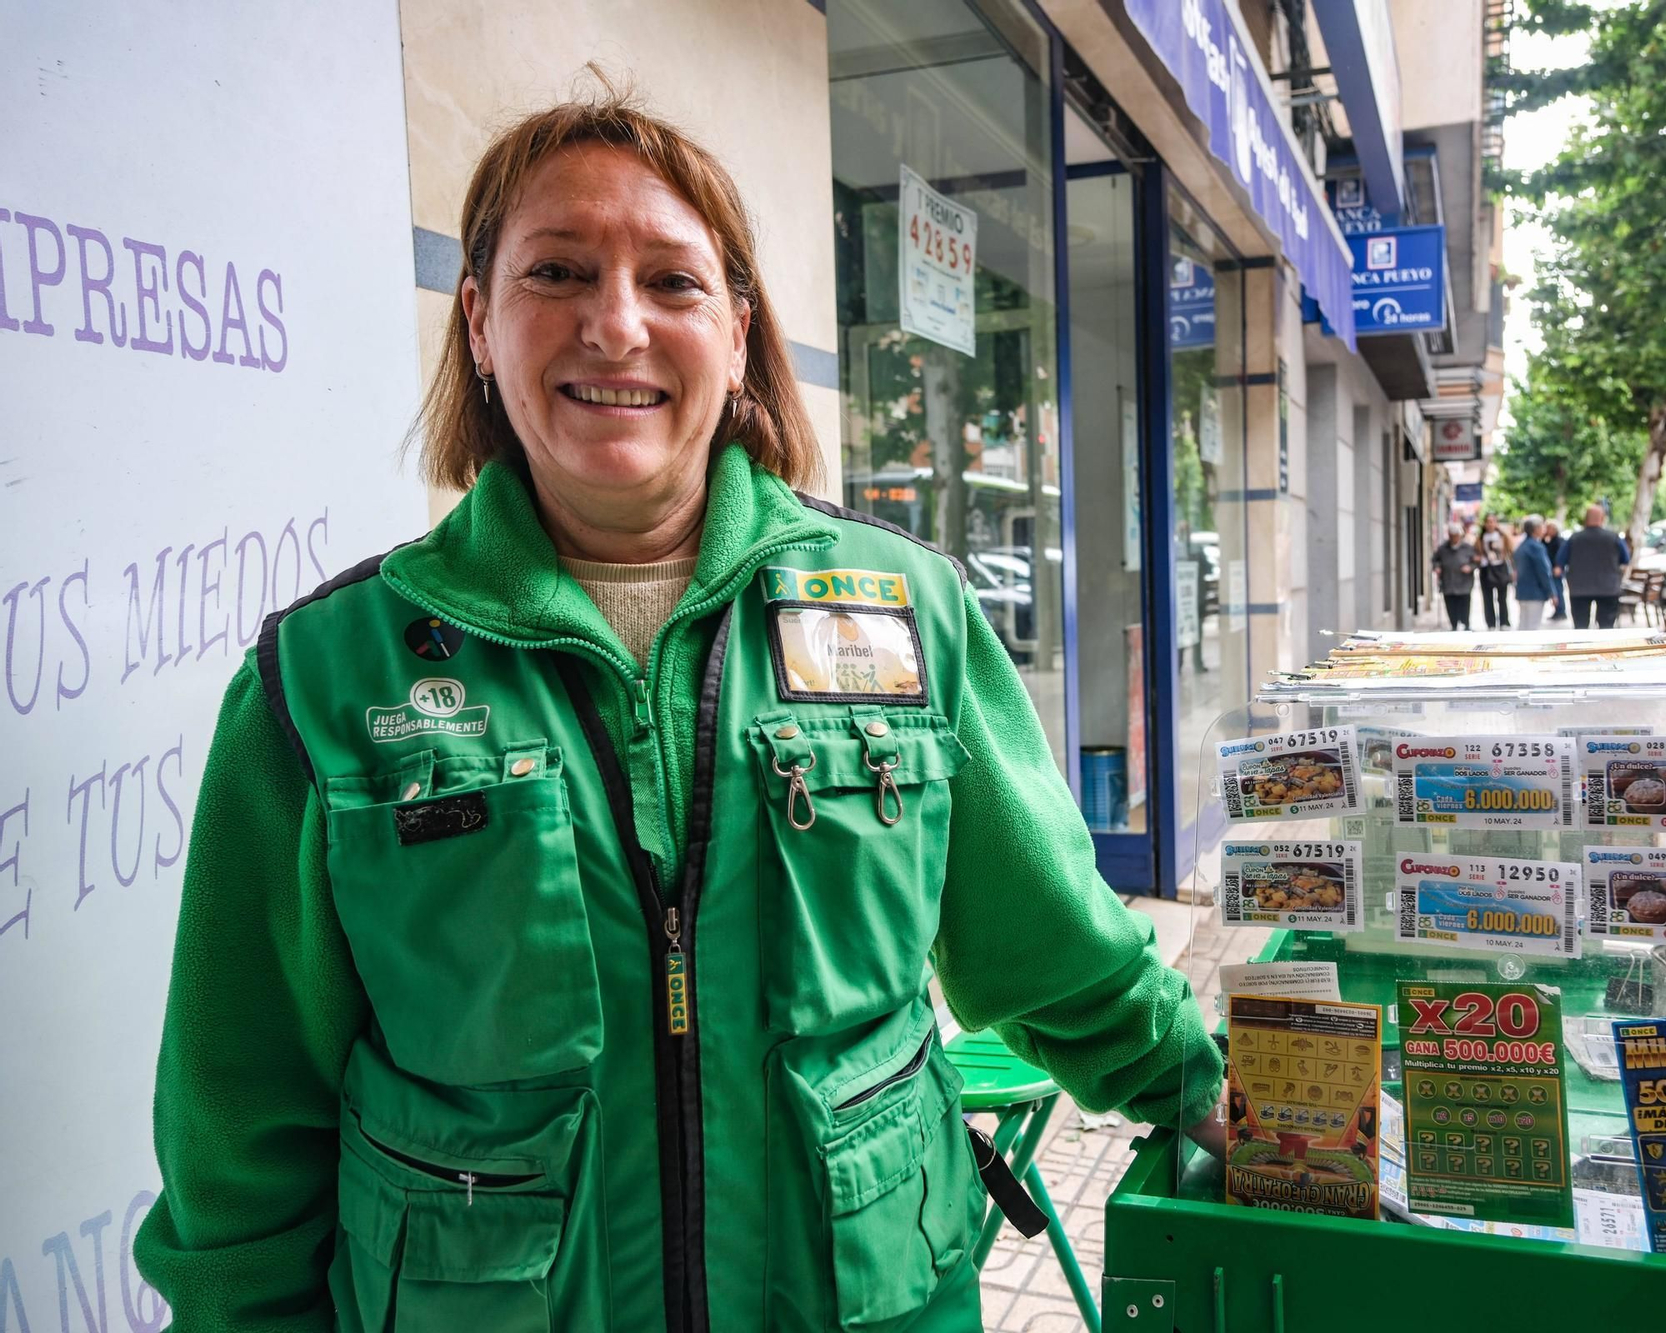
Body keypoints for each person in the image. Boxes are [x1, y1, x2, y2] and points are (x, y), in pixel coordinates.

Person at [134, 88, 1223, 1333]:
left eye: (672, 281)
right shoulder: (326, 680)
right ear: (480, 325)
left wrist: (1237, 1105)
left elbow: (1055, 942)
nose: (615, 325)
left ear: (741, 334)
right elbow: (238, 1134)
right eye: (558, 271)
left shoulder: (902, 613)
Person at [1554, 503, 1632, 629]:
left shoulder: (1574, 538)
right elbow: (1625, 560)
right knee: (1606, 628)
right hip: (1608, 588)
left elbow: (1560, 560)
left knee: (1581, 628)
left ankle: (1582, 648)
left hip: (1579, 589)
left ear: (1586, 519)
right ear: (1602, 519)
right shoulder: (1613, 538)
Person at [1513, 516, 1556, 631]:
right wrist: (1552, 592)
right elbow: (1544, 572)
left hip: (1523, 591)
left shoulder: (1521, 546)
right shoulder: (1536, 547)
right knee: (1532, 627)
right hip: (1535, 592)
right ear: (1536, 529)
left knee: (1523, 625)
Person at [1432, 522, 1478, 630]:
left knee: (1464, 605)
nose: (1454, 538)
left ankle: (1466, 624)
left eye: (1456, 535)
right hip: (1448, 582)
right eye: (1452, 535)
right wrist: (1437, 567)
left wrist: (1470, 567)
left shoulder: (1468, 548)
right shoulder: (1442, 548)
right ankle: (1453, 625)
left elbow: (1475, 562)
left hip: (1464, 583)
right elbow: (1435, 560)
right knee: (1450, 605)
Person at [1477, 512, 1514, 629]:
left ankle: (1504, 622)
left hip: (1501, 568)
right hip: (1486, 569)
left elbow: (1510, 552)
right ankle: (1491, 623)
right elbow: (1477, 552)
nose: (1490, 524)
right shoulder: (1480, 538)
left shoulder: (1503, 536)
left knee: (1502, 598)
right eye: (1487, 521)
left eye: (1492, 521)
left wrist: (1513, 570)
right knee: (1487, 598)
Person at [1541, 518, 1568, 621]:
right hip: (1549, 569)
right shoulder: (1547, 540)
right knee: (1554, 591)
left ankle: (1561, 611)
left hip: (1556, 569)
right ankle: (1557, 611)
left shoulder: (1559, 541)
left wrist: (1559, 566)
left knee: (1558, 590)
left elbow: (1560, 555)